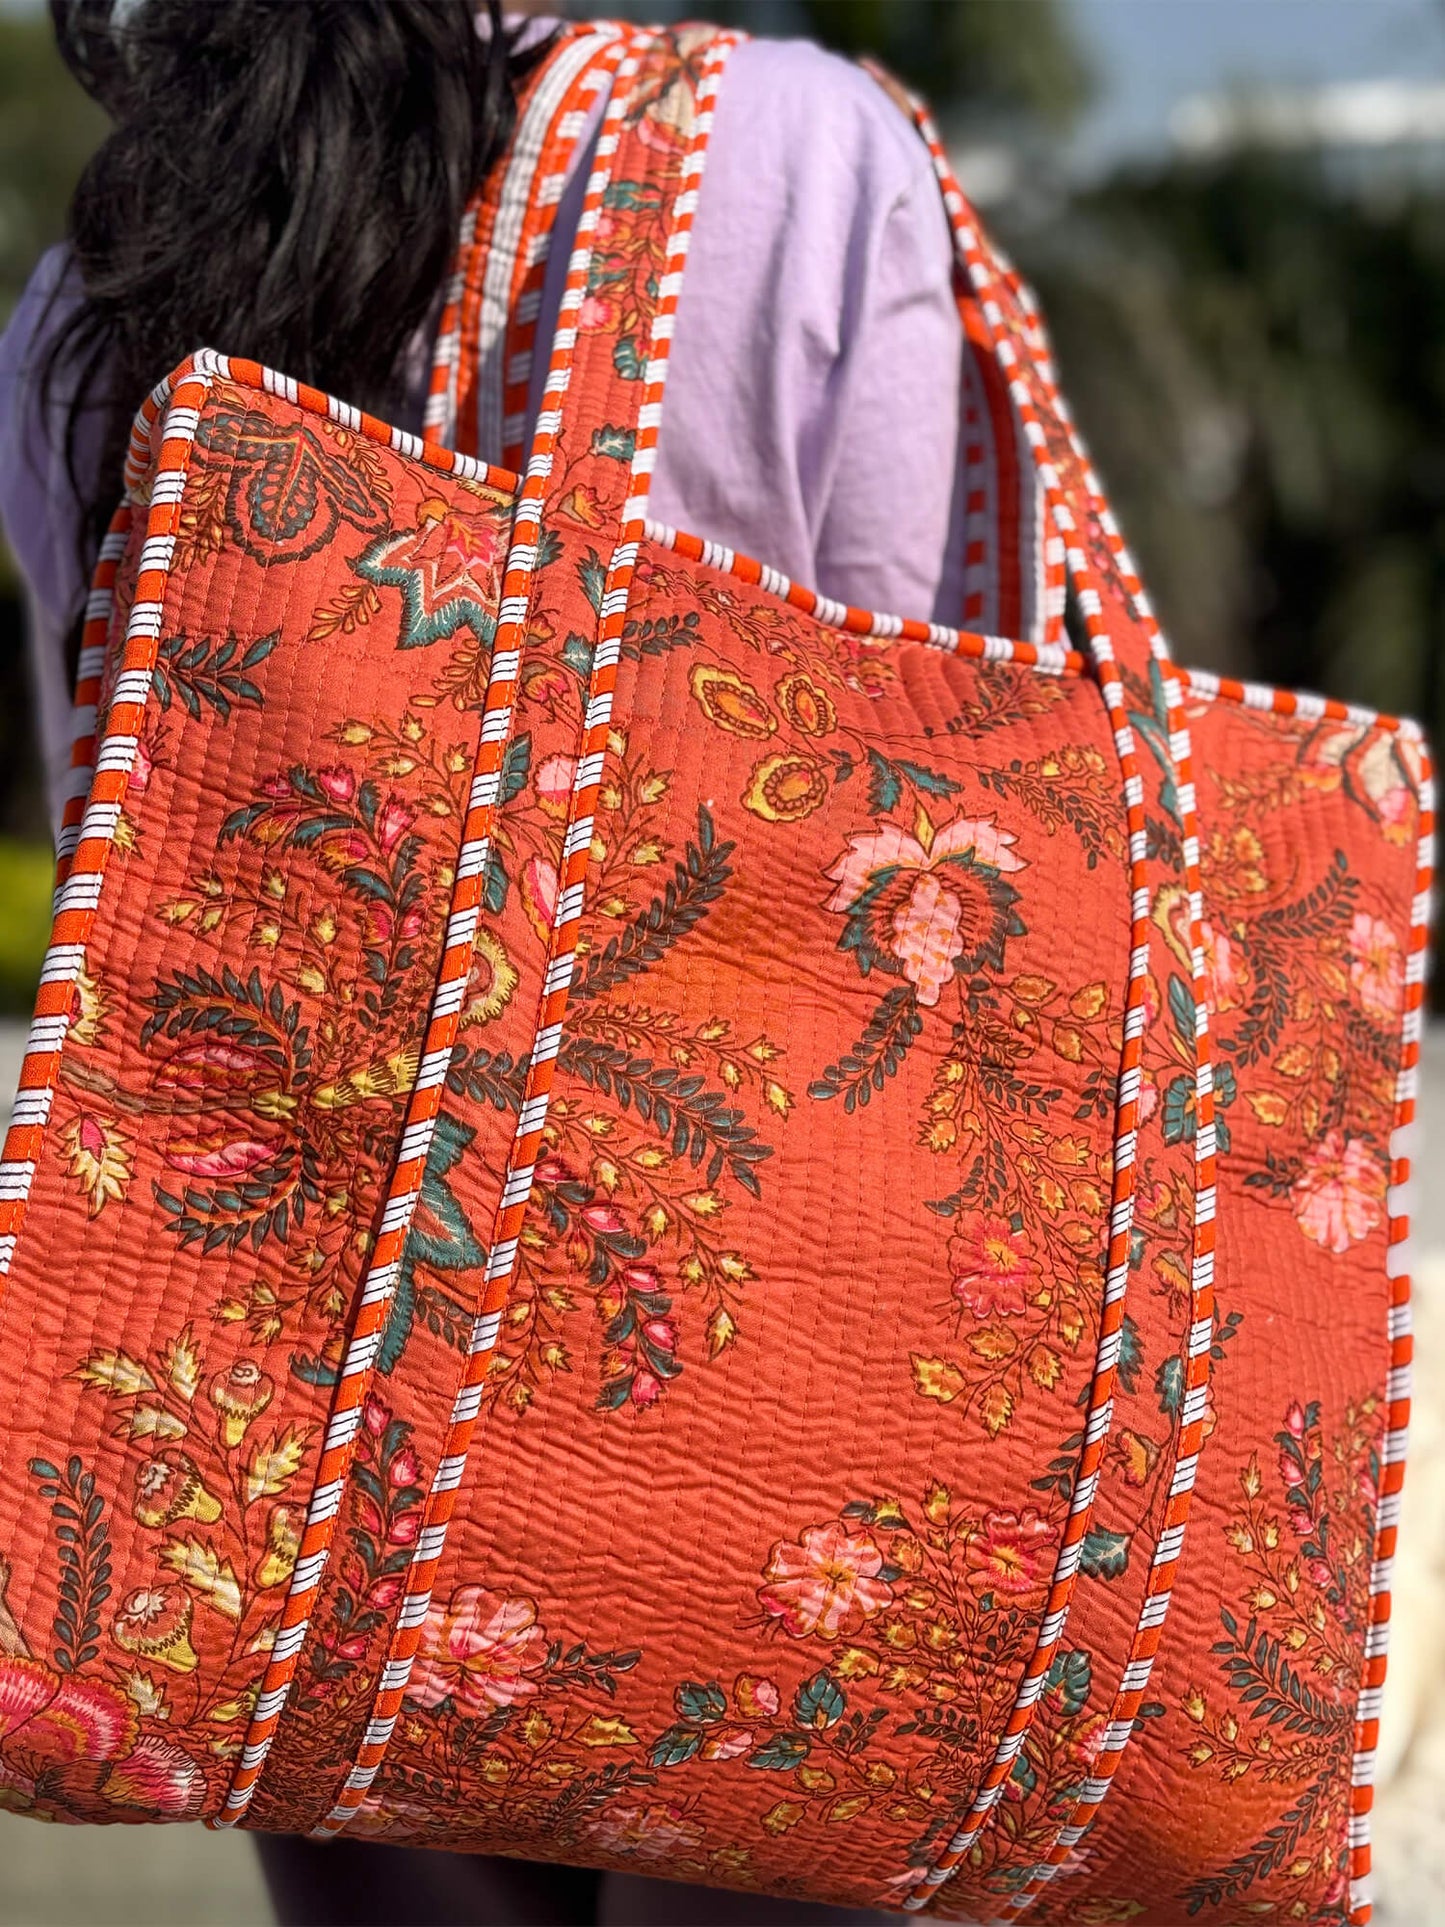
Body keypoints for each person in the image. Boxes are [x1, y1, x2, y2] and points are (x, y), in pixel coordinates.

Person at [0, 3, 971, 1921]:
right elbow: (912, 821)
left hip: (301, 1398)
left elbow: (111, 820)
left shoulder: (86, 292)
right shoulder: (788, 141)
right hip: (748, 1385)